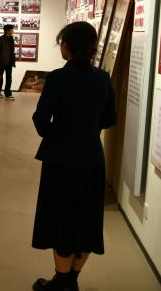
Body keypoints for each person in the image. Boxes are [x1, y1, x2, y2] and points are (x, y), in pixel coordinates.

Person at [31, 22, 116, 291]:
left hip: (61, 159)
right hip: (92, 158)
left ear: (67, 46)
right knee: (86, 220)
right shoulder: (103, 78)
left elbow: (41, 120)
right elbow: (110, 118)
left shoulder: (58, 78)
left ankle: (61, 281)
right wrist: (87, 130)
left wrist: (58, 134)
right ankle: (70, 280)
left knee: (61, 219)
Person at [0, 24, 16, 100]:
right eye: (12, 29)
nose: (13, 31)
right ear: (7, 31)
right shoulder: (0, 39)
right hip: (1, 61)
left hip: (10, 61)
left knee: (9, 77)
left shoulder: (11, 39)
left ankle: (7, 93)